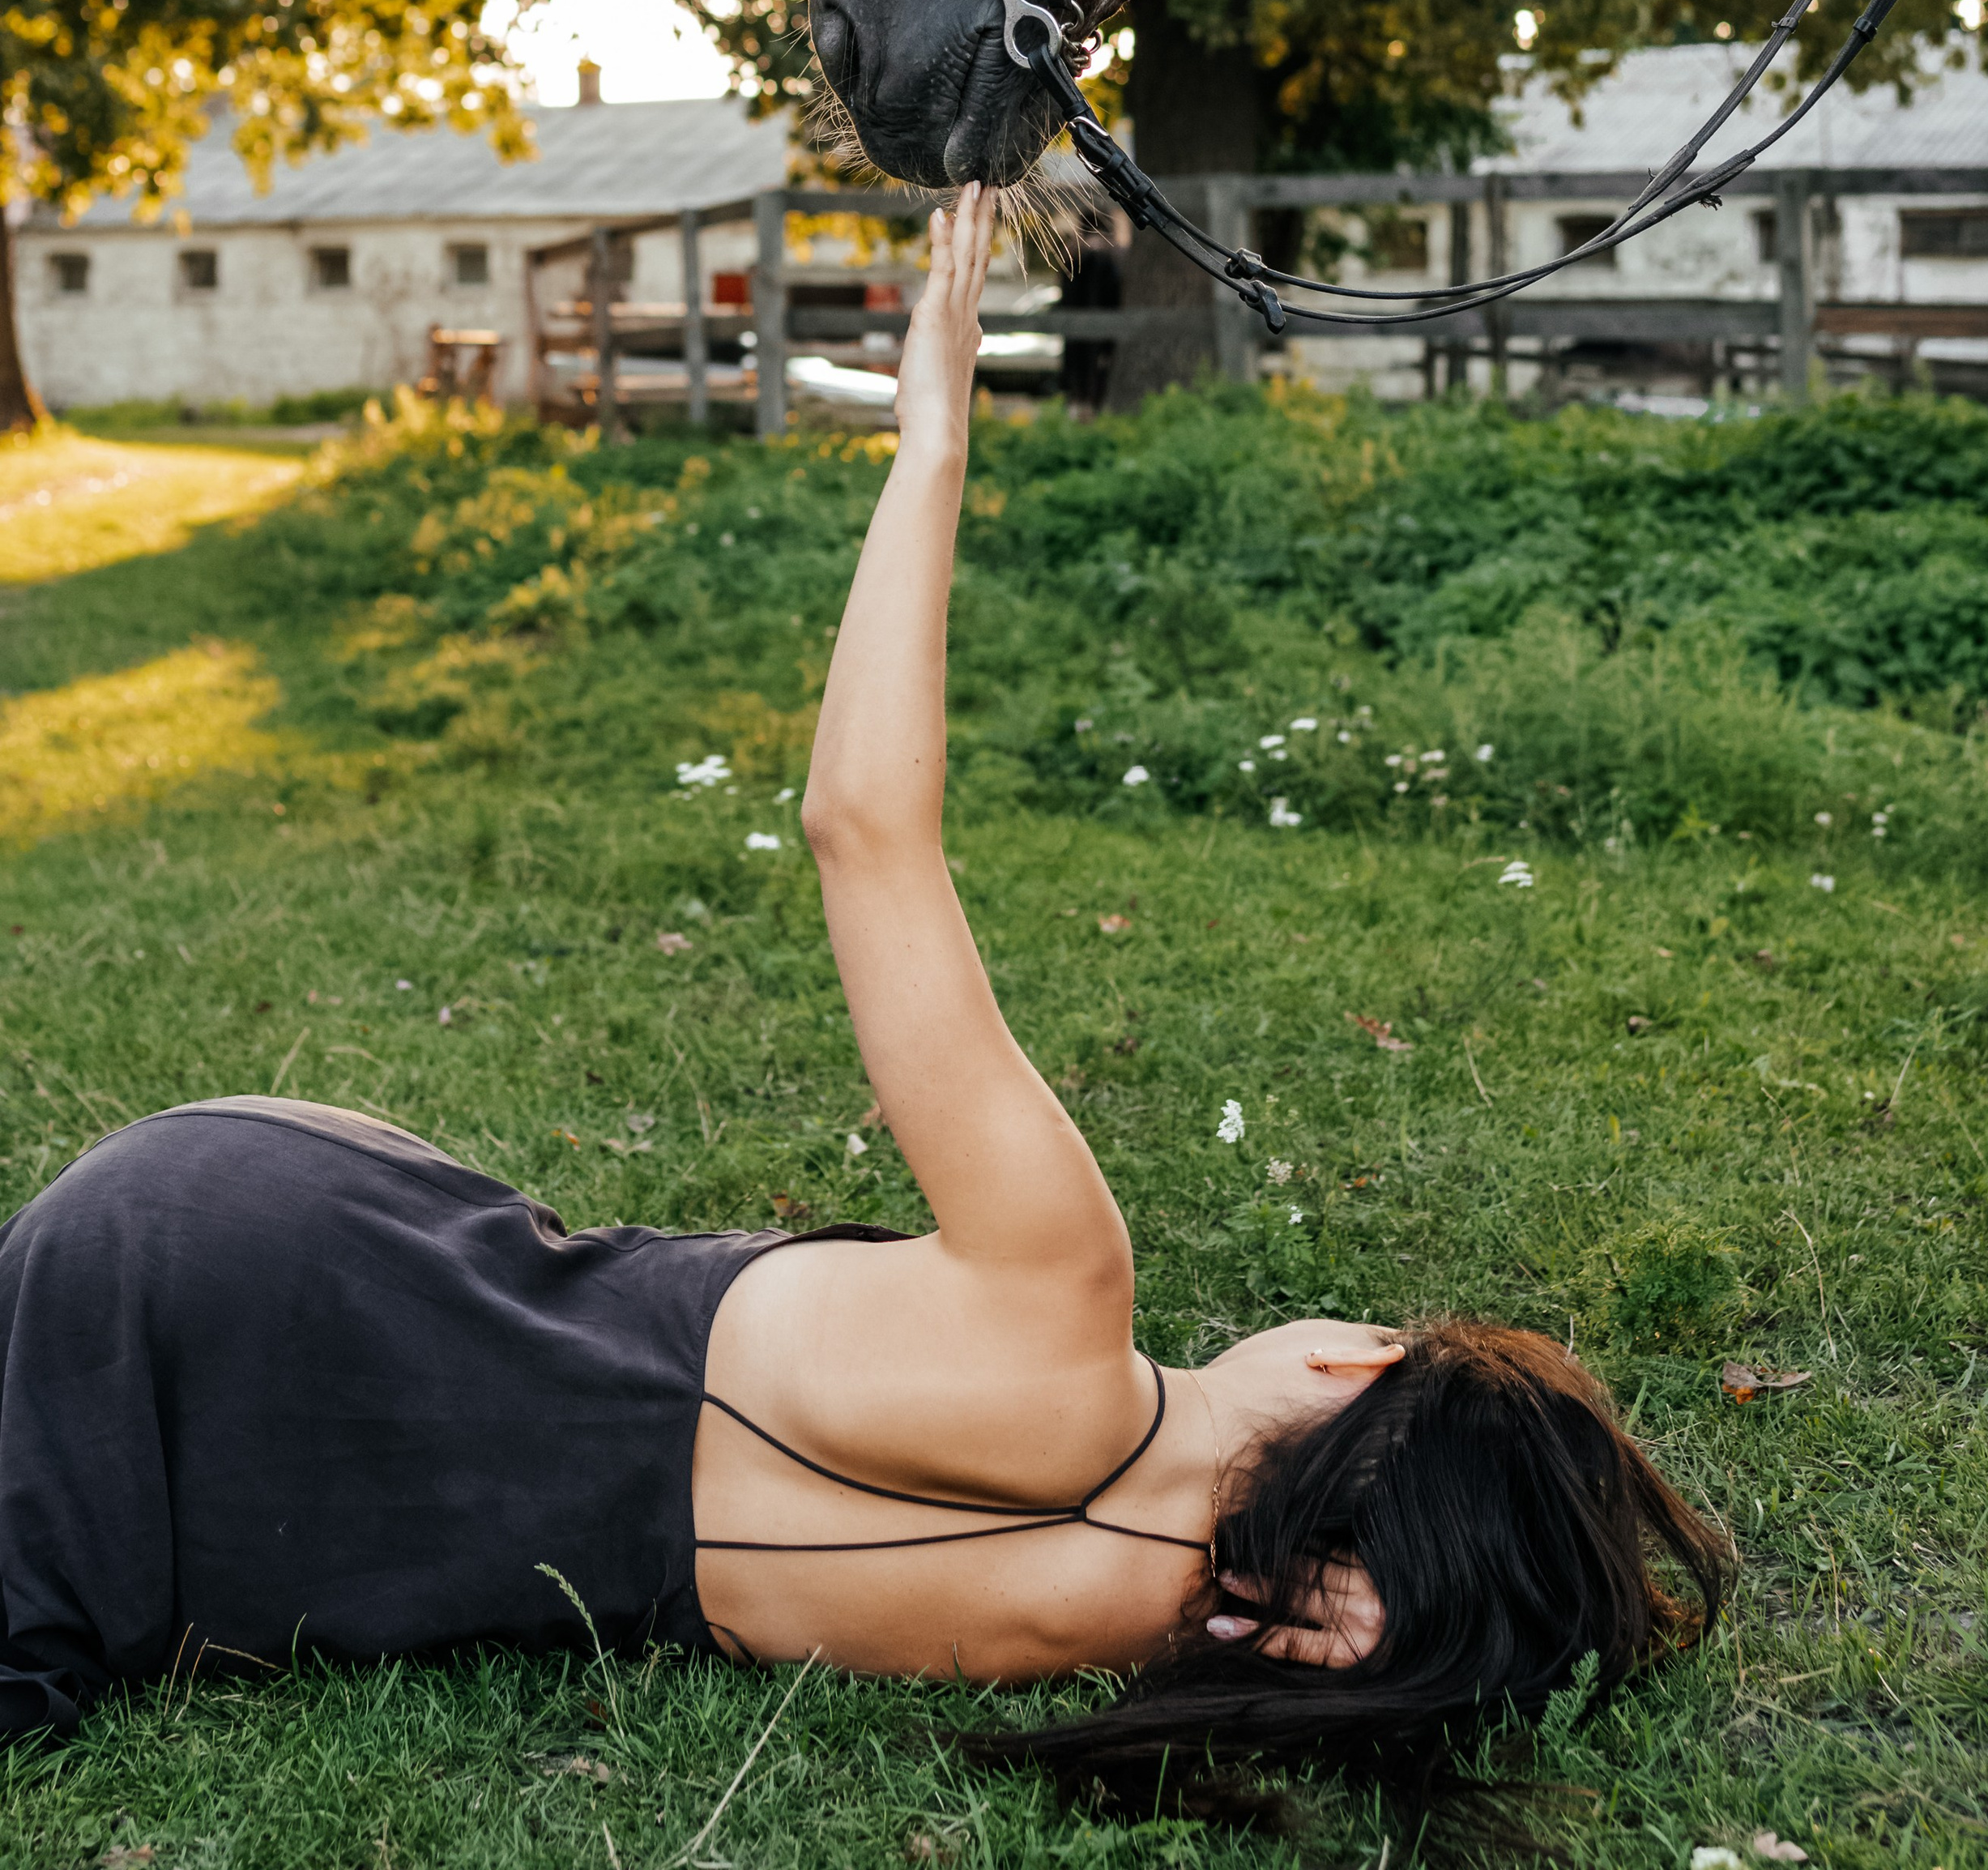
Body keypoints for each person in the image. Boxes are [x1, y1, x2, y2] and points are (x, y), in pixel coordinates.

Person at [0, 187, 1726, 1808]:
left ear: (1352, 1361)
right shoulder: (1090, 1610)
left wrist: (934, 441)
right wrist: (1370, 1632)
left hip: (247, 1264)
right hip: (259, 1536)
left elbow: (861, 827)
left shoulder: (1062, 1307)